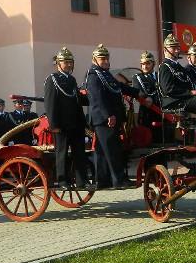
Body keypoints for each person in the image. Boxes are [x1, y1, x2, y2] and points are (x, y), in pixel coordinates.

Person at [86, 43, 142, 189]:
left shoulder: (105, 74)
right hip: (104, 119)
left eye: (107, 58)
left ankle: (103, 181)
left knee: (102, 151)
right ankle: (119, 180)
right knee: (112, 150)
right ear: (94, 59)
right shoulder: (93, 76)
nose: (106, 61)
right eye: (102, 59)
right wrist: (108, 115)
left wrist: (138, 92)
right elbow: (97, 99)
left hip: (111, 118)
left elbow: (119, 86)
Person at [44, 47, 89, 189]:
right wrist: (54, 124)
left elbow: (77, 101)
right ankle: (62, 181)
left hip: (76, 123)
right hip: (62, 125)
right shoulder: (52, 79)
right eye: (66, 62)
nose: (69, 65)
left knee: (79, 153)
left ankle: (82, 181)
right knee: (62, 153)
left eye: (71, 62)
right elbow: (50, 103)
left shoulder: (72, 80)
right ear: (59, 63)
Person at [158, 34, 196, 128]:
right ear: (165, 50)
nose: (177, 50)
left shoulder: (179, 67)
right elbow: (168, 89)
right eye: (173, 48)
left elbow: (191, 83)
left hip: (183, 99)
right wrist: (190, 92)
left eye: (178, 48)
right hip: (173, 101)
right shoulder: (165, 67)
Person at [132, 50, 161, 128]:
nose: (145, 67)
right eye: (143, 64)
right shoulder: (137, 77)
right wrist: (146, 97)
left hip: (161, 114)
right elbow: (138, 91)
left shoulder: (160, 76)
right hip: (146, 115)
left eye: (148, 63)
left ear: (153, 64)